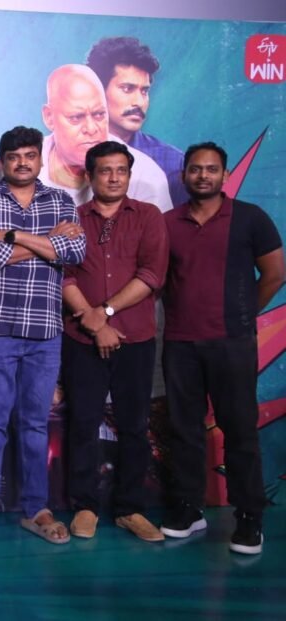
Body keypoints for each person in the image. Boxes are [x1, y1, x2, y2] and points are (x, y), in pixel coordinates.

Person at [0, 126, 86, 545]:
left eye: (30, 155)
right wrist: (49, 242)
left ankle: (36, 508)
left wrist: (13, 236)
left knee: (34, 423)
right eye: (14, 156)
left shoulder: (61, 200)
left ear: (39, 158)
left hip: (45, 330)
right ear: (3, 161)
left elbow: (74, 252)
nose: (22, 163)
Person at [160, 142, 284, 555]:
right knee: (183, 431)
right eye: (195, 169)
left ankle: (249, 517)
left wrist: (243, 315)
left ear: (225, 175)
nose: (203, 176)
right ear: (184, 175)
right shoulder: (168, 222)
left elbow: (275, 273)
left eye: (211, 169)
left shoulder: (251, 218)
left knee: (240, 431)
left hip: (232, 343)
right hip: (180, 342)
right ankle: (189, 509)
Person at [61, 141, 168, 542]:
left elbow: (152, 274)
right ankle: (85, 506)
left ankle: (130, 509)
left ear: (129, 175)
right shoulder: (71, 219)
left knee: (134, 425)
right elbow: (64, 274)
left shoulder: (148, 216)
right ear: (89, 176)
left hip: (135, 337)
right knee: (83, 422)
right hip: (81, 339)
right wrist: (92, 322)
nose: (113, 178)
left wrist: (103, 312)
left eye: (121, 170)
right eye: (105, 170)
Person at [0, 65, 172, 213]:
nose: (91, 129)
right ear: (49, 117)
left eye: (99, 115)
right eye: (76, 117)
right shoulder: (20, 160)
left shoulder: (145, 175)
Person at [86, 36, 189, 207]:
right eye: (127, 89)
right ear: (97, 91)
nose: (139, 102)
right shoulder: (67, 154)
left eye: (144, 91)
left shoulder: (173, 163)